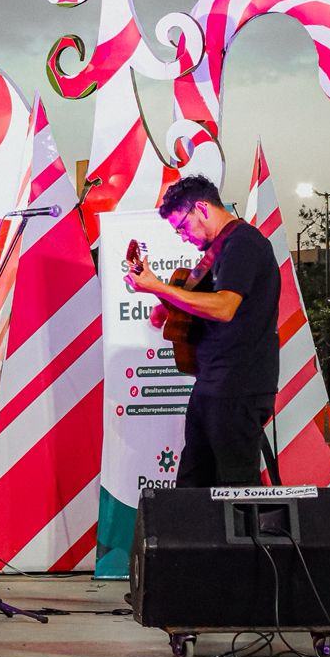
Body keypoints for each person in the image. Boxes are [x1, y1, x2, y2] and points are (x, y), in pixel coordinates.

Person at [125, 175, 281, 487]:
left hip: (238, 383)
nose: (183, 237)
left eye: (183, 226)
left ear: (202, 208)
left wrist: (159, 288)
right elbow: (192, 307)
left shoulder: (243, 243)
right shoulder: (216, 252)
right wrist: (162, 298)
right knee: (193, 484)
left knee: (236, 487)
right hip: (212, 382)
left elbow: (224, 307)